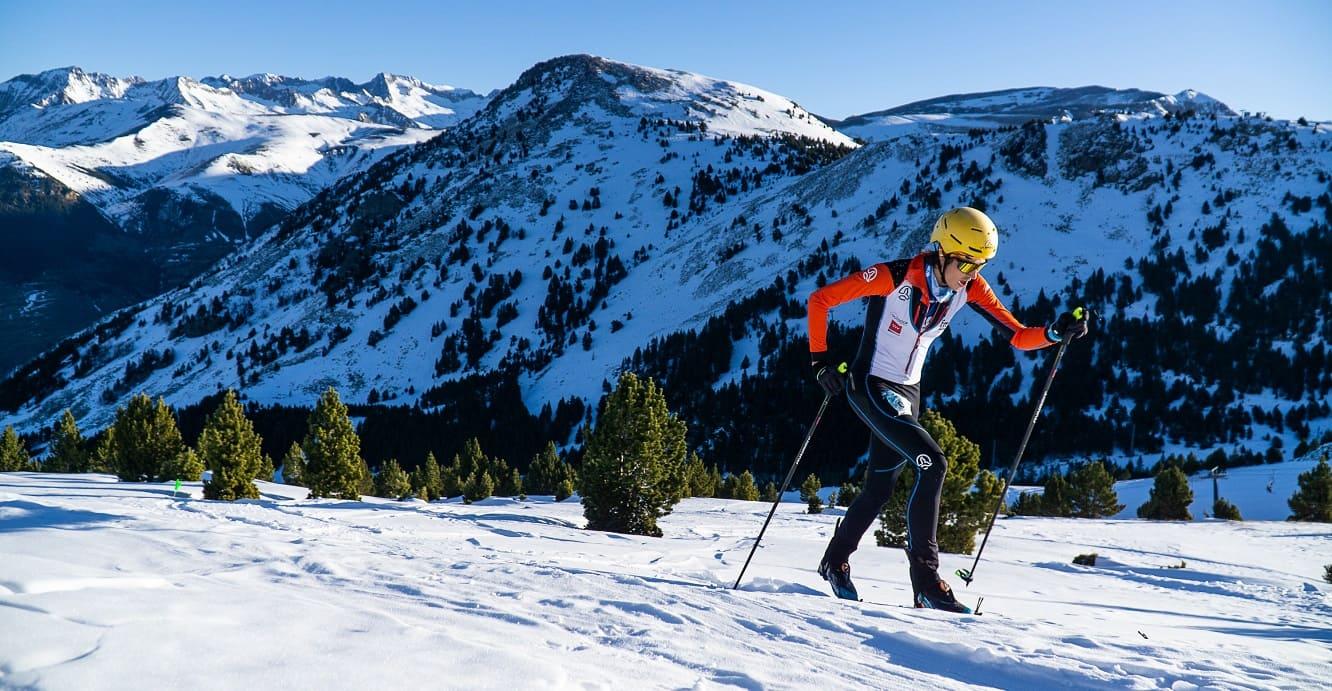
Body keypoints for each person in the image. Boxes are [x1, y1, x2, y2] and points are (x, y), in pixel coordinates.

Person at [806, 207, 1088, 612]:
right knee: (933, 463)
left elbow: (1020, 337)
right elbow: (820, 300)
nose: (973, 273)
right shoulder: (895, 276)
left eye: (981, 265)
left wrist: (1056, 333)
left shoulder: (969, 289)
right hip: (870, 385)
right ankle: (926, 580)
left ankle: (833, 561)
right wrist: (820, 364)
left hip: (908, 393)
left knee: (879, 489)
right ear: (943, 252)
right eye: (968, 263)